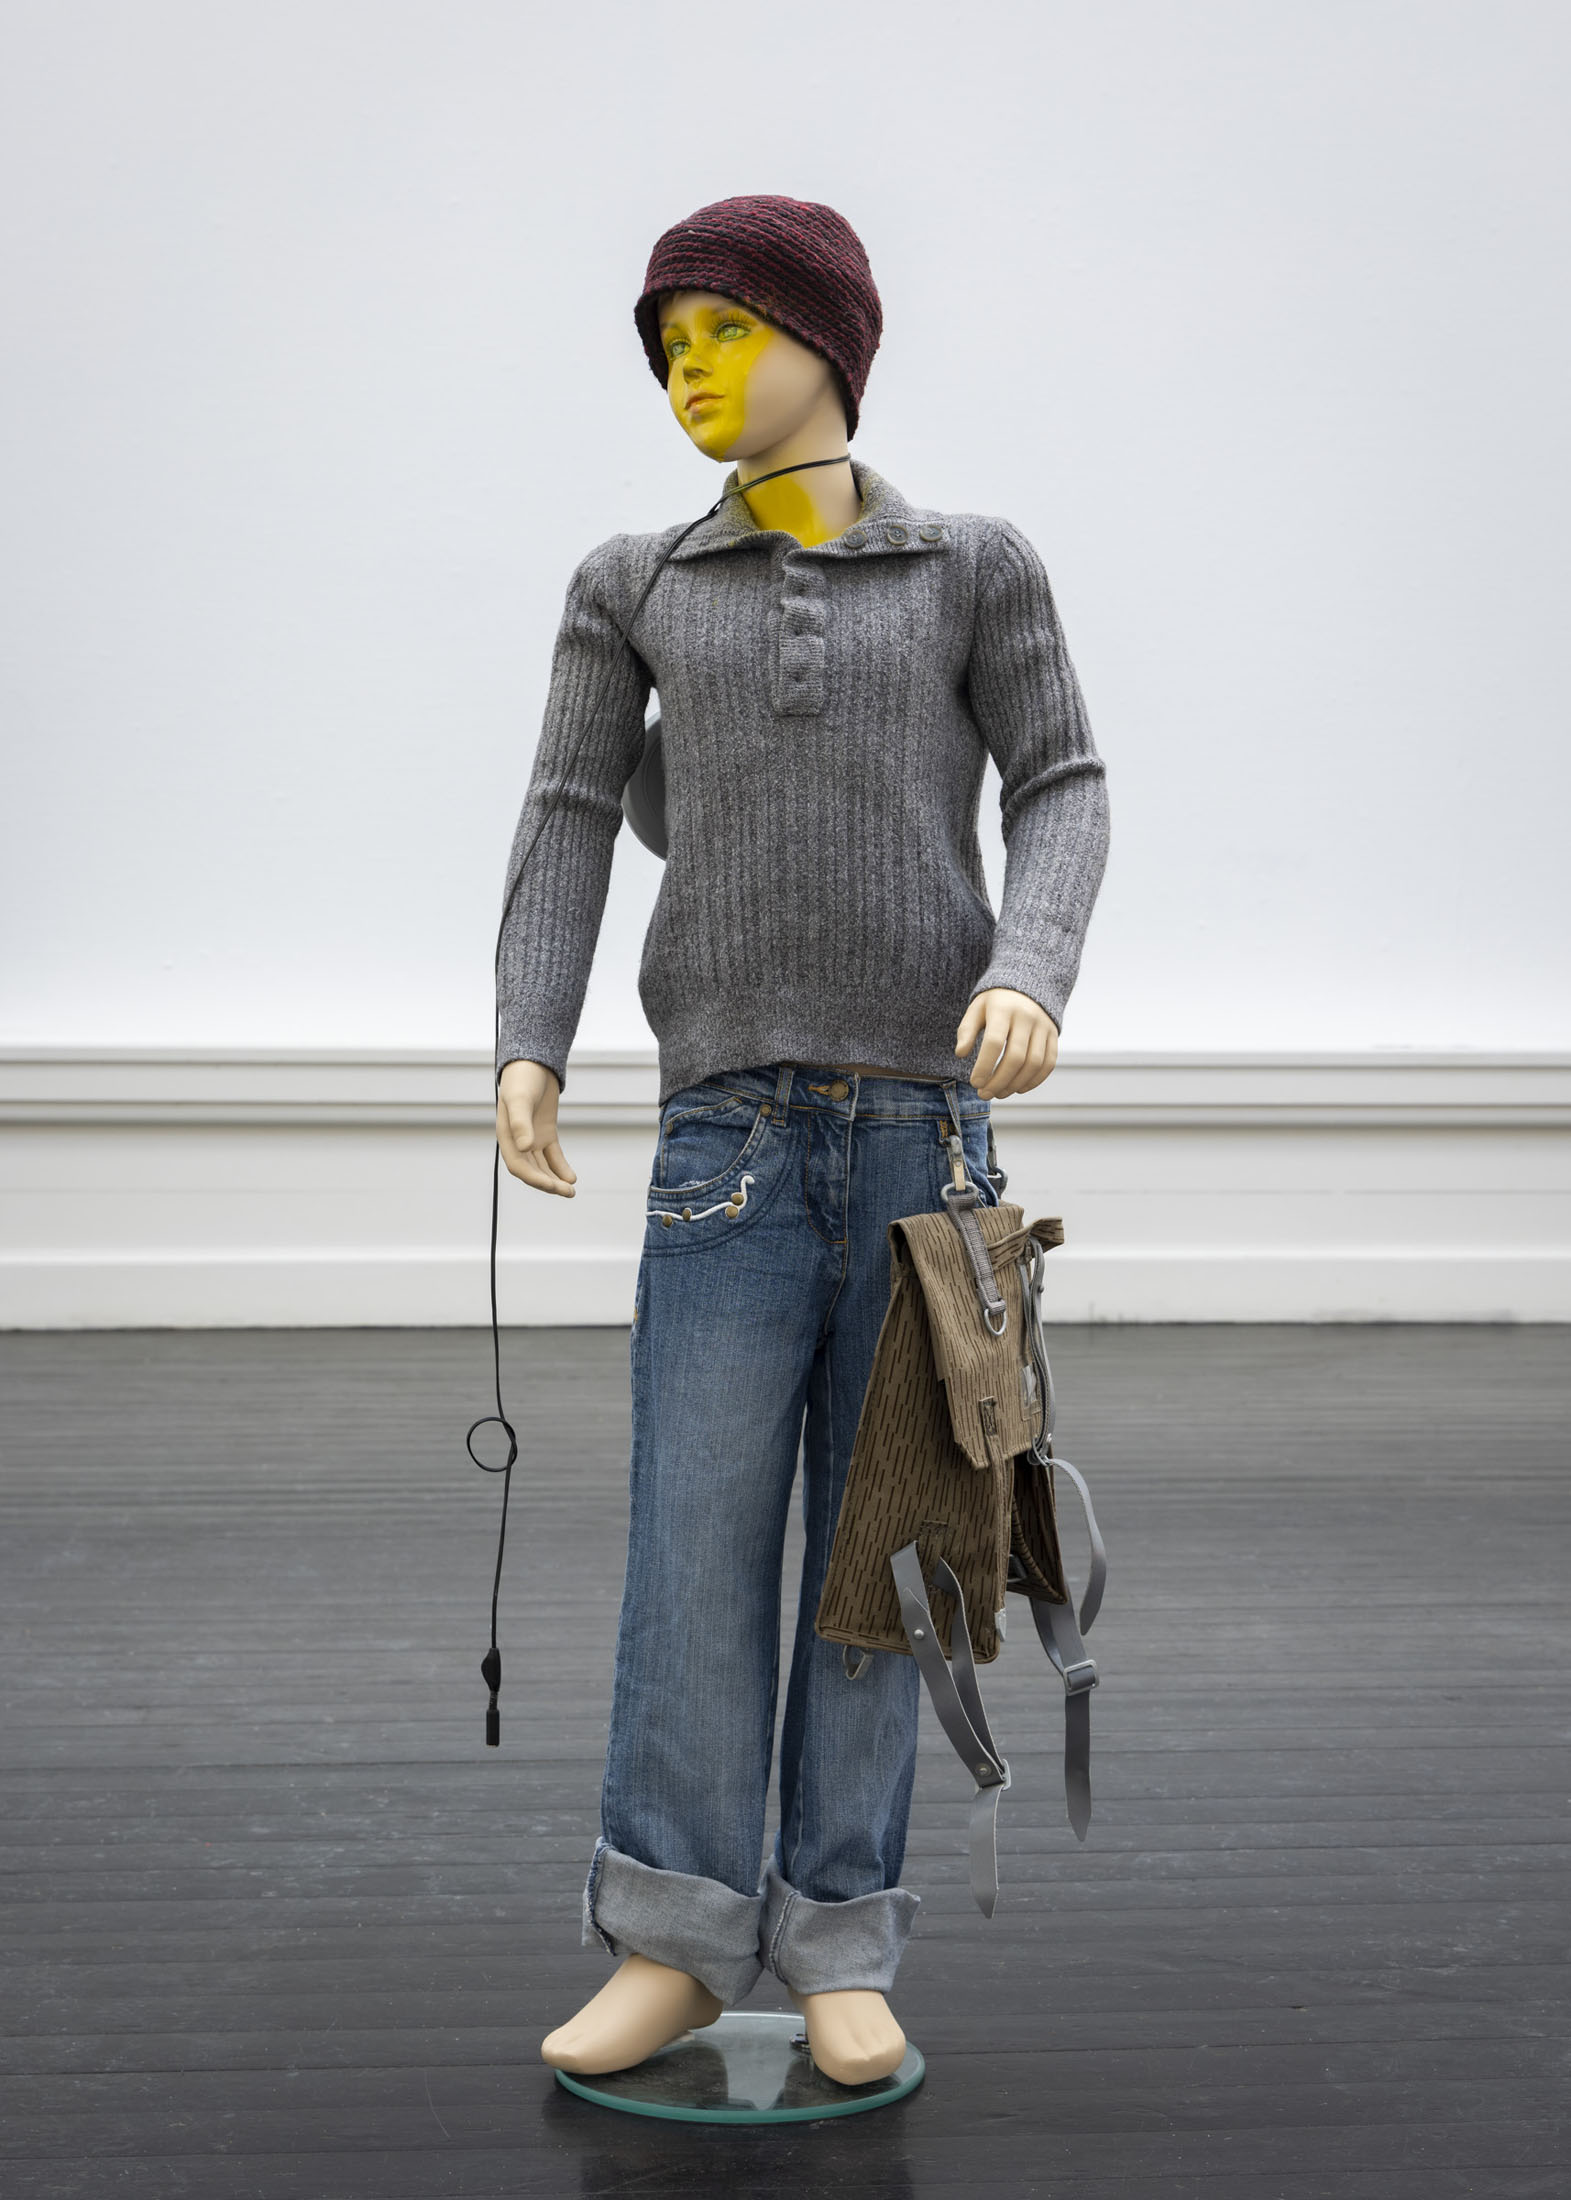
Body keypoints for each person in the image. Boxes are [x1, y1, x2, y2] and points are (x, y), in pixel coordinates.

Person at [493, 194, 1110, 2084]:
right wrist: (529, 1040)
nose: (687, 369)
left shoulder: (973, 570)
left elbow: (1064, 781)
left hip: (929, 1140)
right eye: (666, 343)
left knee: (890, 1550)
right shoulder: (634, 583)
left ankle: (843, 1934)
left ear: (827, 342)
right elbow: (572, 805)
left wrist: (1032, 970)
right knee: (693, 1548)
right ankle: (674, 1937)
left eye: (723, 331)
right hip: (727, 1145)